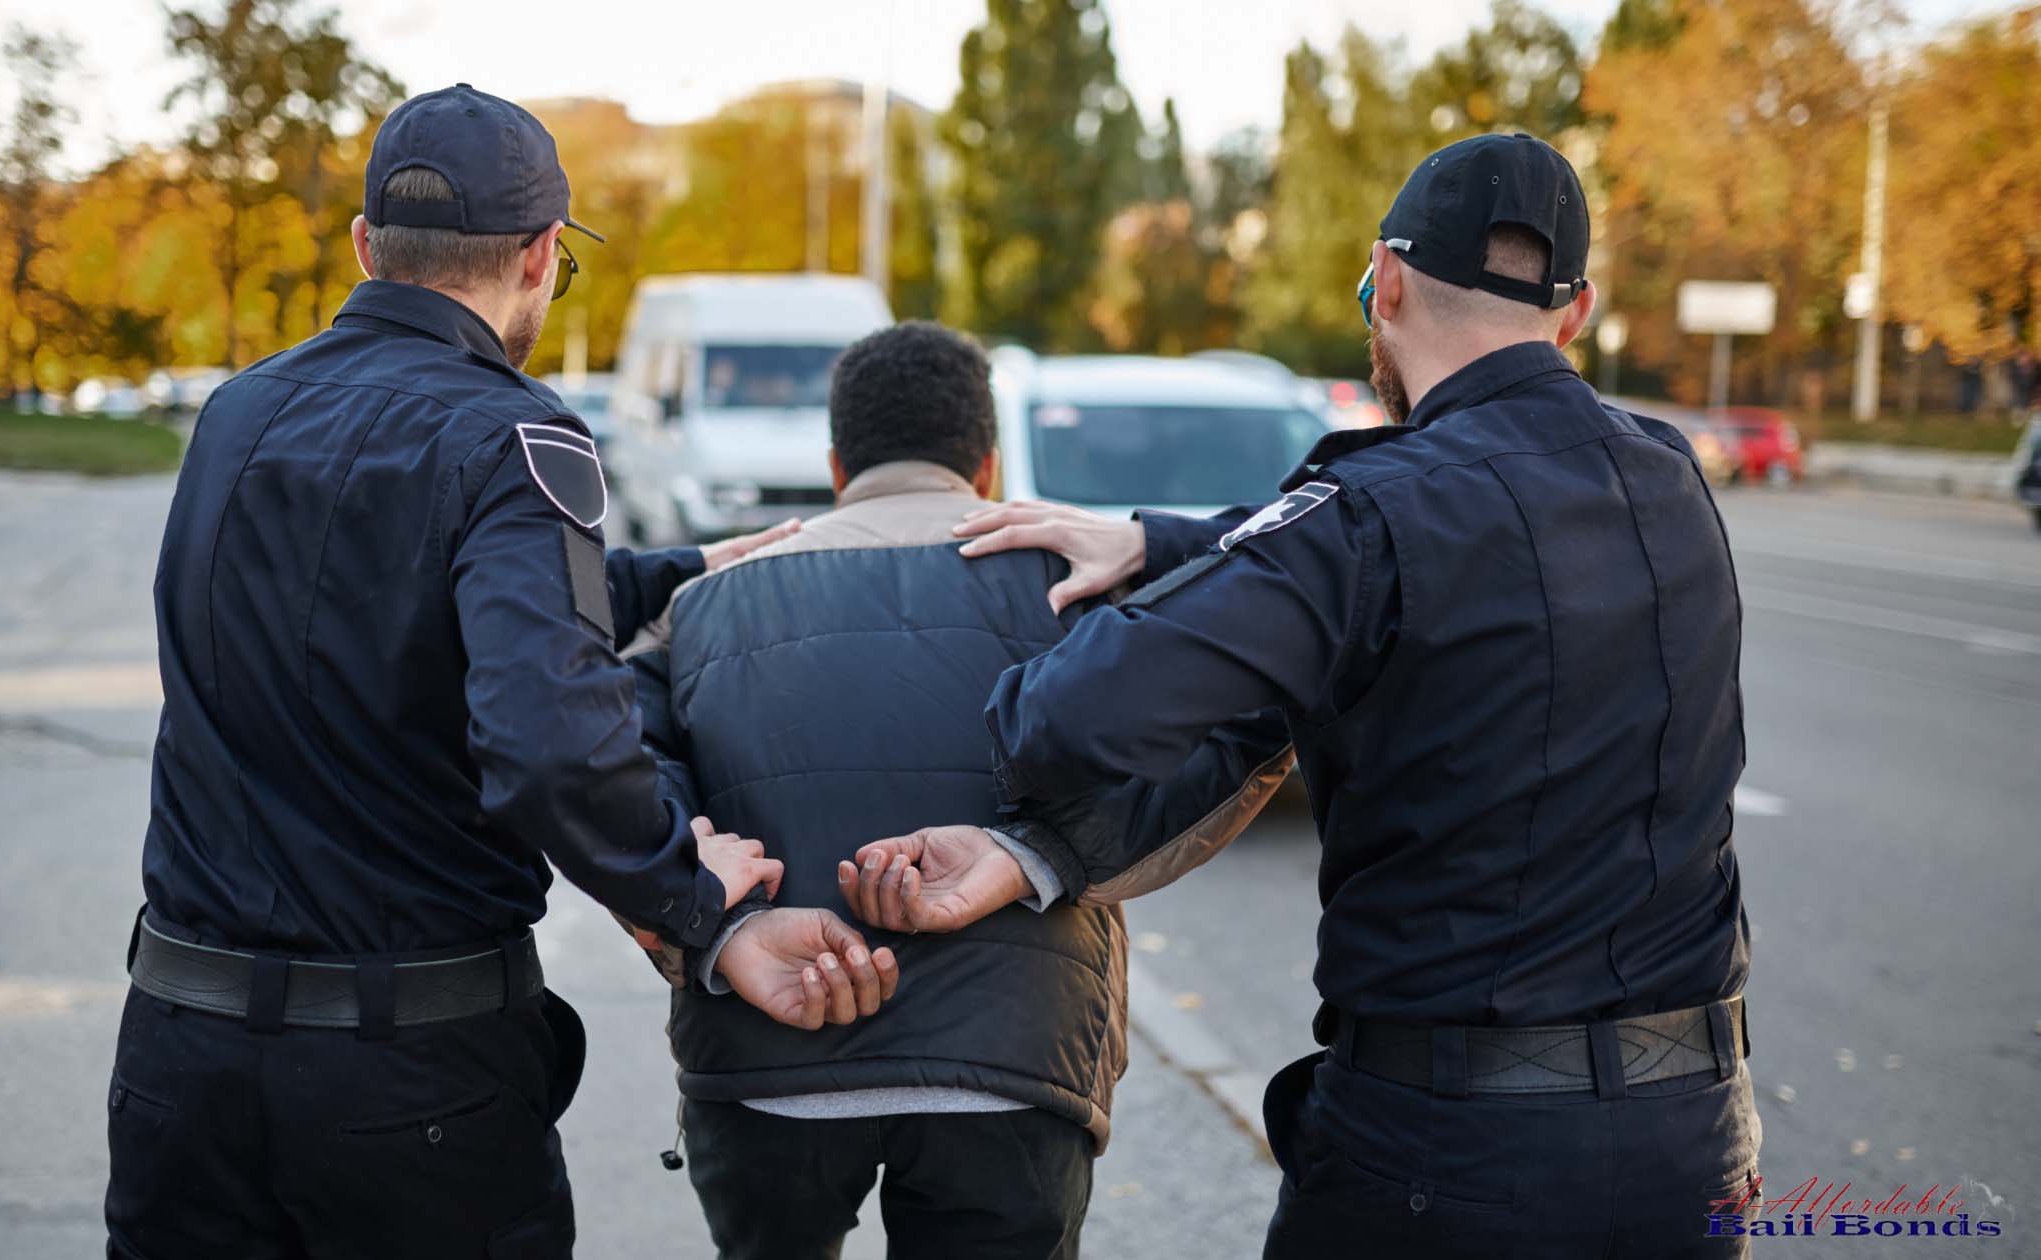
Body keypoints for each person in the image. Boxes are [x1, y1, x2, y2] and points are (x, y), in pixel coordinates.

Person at [848, 133, 1761, 1259]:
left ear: (1383, 279)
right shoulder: (1665, 469)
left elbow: (1064, 719)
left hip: (1451, 1154)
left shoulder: (1367, 516)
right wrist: (1162, 538)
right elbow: (1457, 536)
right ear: (1571, 315)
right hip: (1694, 1139)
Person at [106, 84, 897, 1260]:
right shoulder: (511, 434)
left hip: (180, 1052)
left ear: (368, 246)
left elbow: (369, 603)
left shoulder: (237, 413)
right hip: (406, 1085)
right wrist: (684, 890)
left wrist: (674, 570)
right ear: (537, 258)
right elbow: (544, 738)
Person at [620, 321, 1292, 1260]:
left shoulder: (701, 605)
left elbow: (615, 788)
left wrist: (718, 934)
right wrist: (1041, 855)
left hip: (763, 1056)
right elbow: (1241, 724)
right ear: (985, 463)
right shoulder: (1080, 580)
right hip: (1014, 1059)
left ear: (834, 461)